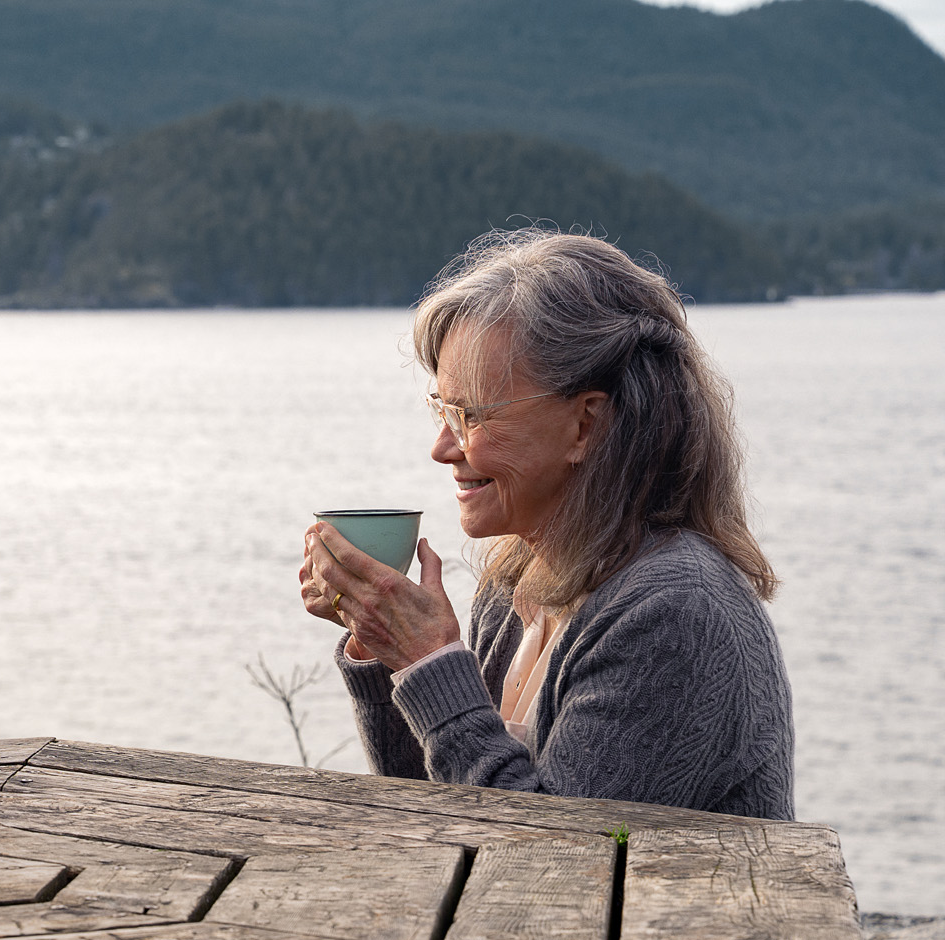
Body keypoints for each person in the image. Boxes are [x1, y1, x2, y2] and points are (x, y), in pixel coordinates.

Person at [299, 230, 793, 818]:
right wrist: (385, 648)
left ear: (585, 424)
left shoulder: (675, 613)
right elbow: (438, 811)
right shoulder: (514, 587)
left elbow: (558, 859)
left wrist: (428, 661)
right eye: (441, 409)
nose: (441, 448)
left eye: (470, 414)